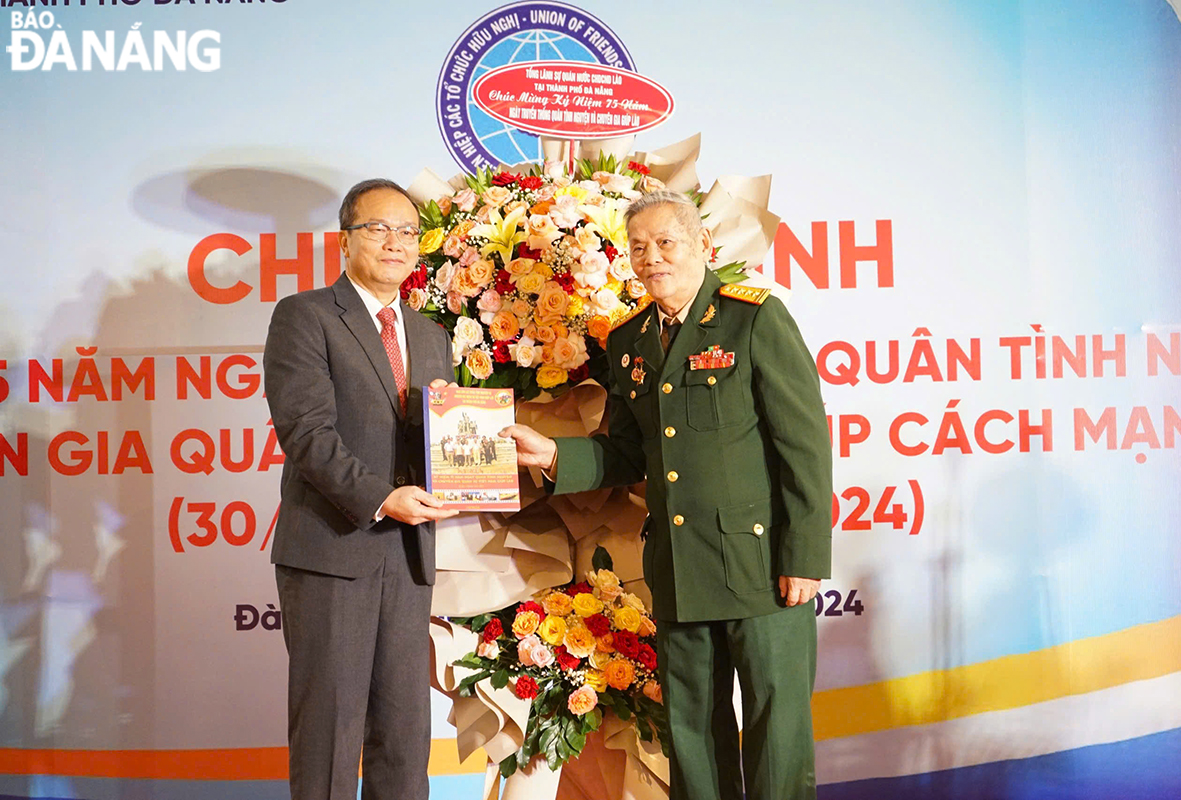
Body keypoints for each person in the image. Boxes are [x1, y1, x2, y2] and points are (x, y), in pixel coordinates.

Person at [502, 190, 832, 800]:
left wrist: (805, 559)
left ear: (703, 246)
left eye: (666, 242)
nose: (651, 257)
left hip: (761, 567)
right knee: (691, 735)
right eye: (638, 247)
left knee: (776, 731)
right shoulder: (629, 339)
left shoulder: (753, 317)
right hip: (679, 565)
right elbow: (627, 452)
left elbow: (804, 447)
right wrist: (553, 454)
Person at [263, 178, 457, 800]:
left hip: (407, 555)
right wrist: (381, 497)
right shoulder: (306, 315)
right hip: (333, 549)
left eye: (408, 232)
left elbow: (442, 436)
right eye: (378, 228)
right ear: (345, 239)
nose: (395, 243)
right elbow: (306, 433)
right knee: (328, 733)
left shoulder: (431, 334)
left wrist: (471, 467)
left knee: (404, 735)